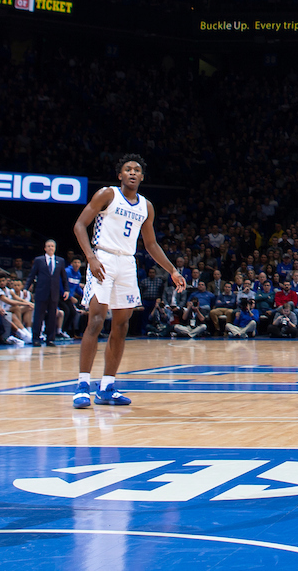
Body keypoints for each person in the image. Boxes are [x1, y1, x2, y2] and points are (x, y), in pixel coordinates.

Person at [72, 154, 185, 408]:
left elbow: (151, 244)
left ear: (142, 177)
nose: (132, 173)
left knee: (121, 326)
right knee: (97, 320)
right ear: (120, 175)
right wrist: (90, 257)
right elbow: (80, 225)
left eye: (137, 170)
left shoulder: (146, 206)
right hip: (102, 257)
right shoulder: (107, 194)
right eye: (127, 169)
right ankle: (82, 386)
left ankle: (107, 386)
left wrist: (172, 271)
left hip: (127, 263)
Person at [26, 239, 70, 346]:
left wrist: (67, 290)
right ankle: (36, 338)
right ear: (45, 248)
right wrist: (26, 288)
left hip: (54, 293)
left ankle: (50, 339)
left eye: (52, 246)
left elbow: (64, 277)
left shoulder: (60, 261)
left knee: (52, 316)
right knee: (38, 316)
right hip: (41, 292)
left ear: (55, 248)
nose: (50, 248)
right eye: (48, 246)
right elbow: (32, 275)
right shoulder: (39, 260)